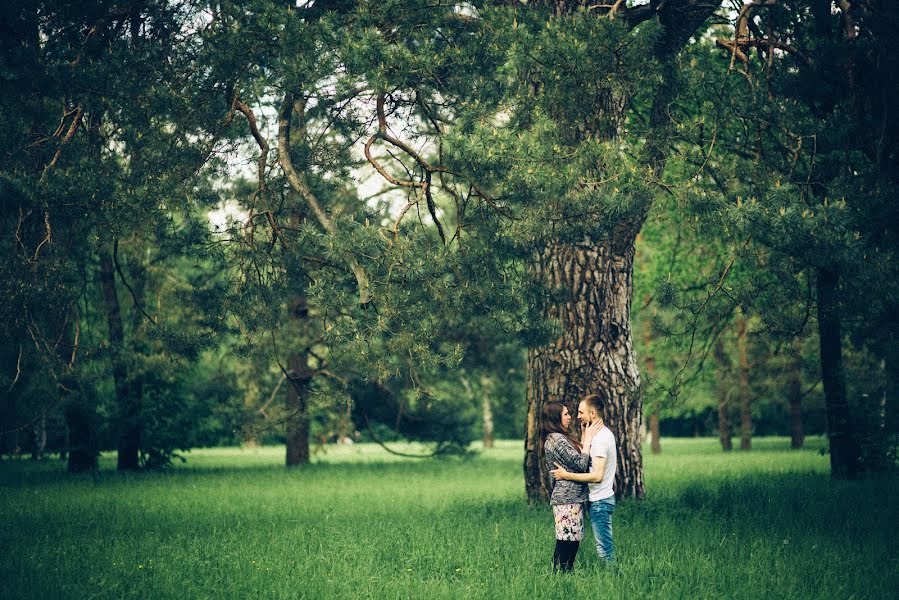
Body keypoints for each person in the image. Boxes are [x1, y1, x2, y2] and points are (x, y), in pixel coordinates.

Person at [550, 393, 617, 564]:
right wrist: (585, 437)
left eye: (581, 412)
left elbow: (597, 476)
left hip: (601, 501)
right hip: (596, 499)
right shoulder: (596, 436)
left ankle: (612, 580)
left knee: (604, 548)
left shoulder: (601, 438)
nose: (577, 416)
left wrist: (566, 475)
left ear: (592, 414)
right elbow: (584, 460)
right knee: (600, 546)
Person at [541, 401, 601, 573]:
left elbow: (575, 460)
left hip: (568, 498)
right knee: (567, 542)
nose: (570, 417)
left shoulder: (555, 439)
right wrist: (588, 439)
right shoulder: (557, 439)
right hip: (568, 498)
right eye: (566, 414)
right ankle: (559, 575)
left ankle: (563, 575)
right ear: (556, 417)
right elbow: (581, 464)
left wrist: (583, 437)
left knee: (570, 540)